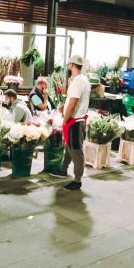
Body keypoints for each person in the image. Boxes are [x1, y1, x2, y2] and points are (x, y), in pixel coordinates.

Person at [52, 55, 90, 191]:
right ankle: (63, 169)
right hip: (77, 119)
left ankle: (77, 180)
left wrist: (64, 120)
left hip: (75, 121)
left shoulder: (78, 81)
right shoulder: (83, 79)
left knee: (76, 150)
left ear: (71, 65)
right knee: (69, 146)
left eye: (69, 64)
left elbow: (73, 103)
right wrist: (65, 106)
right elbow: (73, 101)